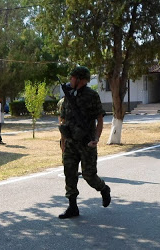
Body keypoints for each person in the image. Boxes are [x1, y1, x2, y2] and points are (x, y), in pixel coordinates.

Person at [58, 66, 110, 219]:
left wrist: (96, 138)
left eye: (72, 77)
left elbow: (99, 118)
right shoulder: (68, 96)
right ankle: (72, 207)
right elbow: (63, 120)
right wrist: (63, 142)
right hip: (70, 143)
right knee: (69, 173)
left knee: (89, 175)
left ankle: (104, 188)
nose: (70, 80)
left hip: (87, 143)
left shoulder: (92, 96)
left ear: (80, 79)